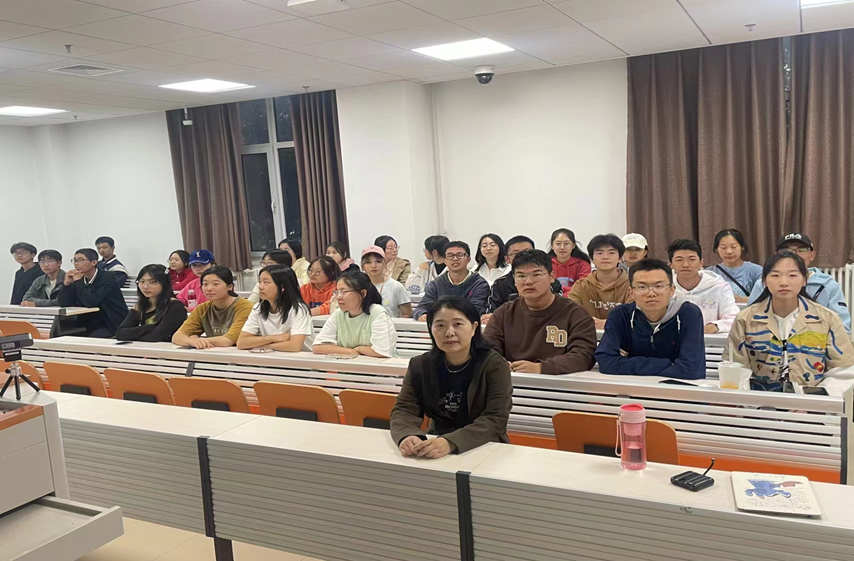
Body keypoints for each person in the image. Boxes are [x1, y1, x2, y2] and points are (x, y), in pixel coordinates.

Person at [391, 296, 513, 459]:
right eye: (440, 325)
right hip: (435, 442)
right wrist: (407, 435)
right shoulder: (420, 365)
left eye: (458, 324)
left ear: (474, 327)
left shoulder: (494, 366)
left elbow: (495, 419)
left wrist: (450, 442)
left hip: (484, 446)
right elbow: (405, 408)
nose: (449, 332)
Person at [729, 251, 854, 390]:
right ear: (764, 281)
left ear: (804, 280)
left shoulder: (827, 319)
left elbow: (842, 371)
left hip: (812, 399)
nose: (784, 282)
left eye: (792, 275)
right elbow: (736, 367)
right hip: (760, 398)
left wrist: (815, 397)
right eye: (775, 275)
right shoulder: (745, 319)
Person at [483, 249, 597, 374]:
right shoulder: (504, 313)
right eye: (521, 276)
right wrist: (499, 363)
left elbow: (583, 356)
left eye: (536, 275)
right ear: (514, 279)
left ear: (552, 276)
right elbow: (487, 348)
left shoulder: (575, 314)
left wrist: (540, 368)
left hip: (559, 382)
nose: (528, 282)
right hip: (512, 380)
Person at [595, 259, 705, 380]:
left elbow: (690, 370)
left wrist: (629, 362)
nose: (651, 293)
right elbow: (606, 361)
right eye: (642, 287)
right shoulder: (621, 315)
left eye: (659, 286)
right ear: (631, 292)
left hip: (677, 387)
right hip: (632, 385)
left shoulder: (688, 314)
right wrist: (669, 364)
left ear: (672, 290)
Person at [747, 233, 851, 333]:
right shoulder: (763, 283)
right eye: (785, 250)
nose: (793, 254)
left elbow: (842, 328)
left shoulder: (828, 285)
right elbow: (749, 320)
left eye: (801, 250)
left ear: (812, 255)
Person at [312, 271, 398, 358]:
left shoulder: (377, 312)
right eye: (337, 292)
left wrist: (359, 349)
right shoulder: (338, 314)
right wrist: (350, 351)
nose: (338, 297)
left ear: (363, 293)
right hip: (351, 364)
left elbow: (382, 351)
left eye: (344, 292)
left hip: (381, 365)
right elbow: (318, 347)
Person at [483, 235, 562, 322]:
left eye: (527, 252)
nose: (523, 257)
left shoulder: (550, 281)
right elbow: (492, 314)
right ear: (507, 259)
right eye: (516, 254)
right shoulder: (500, 284)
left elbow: (559, 309)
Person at [172, 267, 253, 349]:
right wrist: (192, 342)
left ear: (230, 286)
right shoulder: (202, 308)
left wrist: (198, 340)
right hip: (213, 352)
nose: (209, 289)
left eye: (215, 284)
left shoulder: (245, 307)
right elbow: (177, 337)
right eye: (205, 284)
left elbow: (228, 340)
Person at [668, 239, 738, 334]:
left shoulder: (719, 286)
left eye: (692, 259)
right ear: (670, 264)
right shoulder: (665, 287)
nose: (685, 265)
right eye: (679, 260)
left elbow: (734, 318)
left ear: (701, 263)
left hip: (710, 340)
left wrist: (715, 326)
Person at [238, 265, 314, 352]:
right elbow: (241, 342)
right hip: (275, 356)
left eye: (266, 282)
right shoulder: (258, 308)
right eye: (260, 282)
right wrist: (272, 338)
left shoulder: (299, 309)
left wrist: (263, 345)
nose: (260, 287)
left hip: (301, 358)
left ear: (282, 287)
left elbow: (294, 346)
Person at [57, 248, 129, 337]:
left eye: (80, 260)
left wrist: (78, 282)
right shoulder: (78, 278)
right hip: (88, 321)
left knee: (91, 337)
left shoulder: (107, 278)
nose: (76, 263)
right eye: (75, 260)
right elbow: (64, 303)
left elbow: (91, 302)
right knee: (60, 332)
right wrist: (66, 284)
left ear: (94, 262)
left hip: (110, 321)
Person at [413, 241, 490, 321]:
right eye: (450, 255)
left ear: (468, 259)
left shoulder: (479, 284)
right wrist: (423, 315)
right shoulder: (436, 284)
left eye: (460, 255)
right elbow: (421, 308)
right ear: (445, 260)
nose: (455, 259)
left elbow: (476, 310)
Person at [569, 234, 632, 329]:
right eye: (599, 253)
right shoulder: (581, 286)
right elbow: (571, 312)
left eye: (611, 253)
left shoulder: (631, 286)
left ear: (620, 258)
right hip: (587, 334)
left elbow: (634, 316)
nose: (605, 257)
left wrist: (609, 323)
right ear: (591, 258)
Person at [115, 264, 187, 342]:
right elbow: (120, 333)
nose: (145, 286)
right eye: (142, 281)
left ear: (165, 283)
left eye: (153, 282)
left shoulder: (175, 306)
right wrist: (150, 327)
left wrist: (132, 335)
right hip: (145, 347)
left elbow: (157, 336)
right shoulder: (141, 305)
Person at [709, 229, 763, 303]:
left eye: (734, 247)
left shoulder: (756, 270)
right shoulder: (710, 272)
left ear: (742, 247)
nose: (729, 252)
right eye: (723, 248)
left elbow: (766, 296)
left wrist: (743, 300)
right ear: (716, 249)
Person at [361, 246, 412, 318]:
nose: (373, 266)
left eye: (378, 261)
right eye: (368, 262)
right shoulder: (359, 286)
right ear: (363, 266)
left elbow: (407, 314)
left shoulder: (396, 286)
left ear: (385, 263)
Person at [548, 228, 591, 295]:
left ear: (573, 245)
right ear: (552, 246)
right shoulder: (546, 264)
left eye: (566, 243)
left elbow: (583, 287)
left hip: (575, 297)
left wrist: (561, 290)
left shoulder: (582, 264)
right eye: (558, 244)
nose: (562, 247)